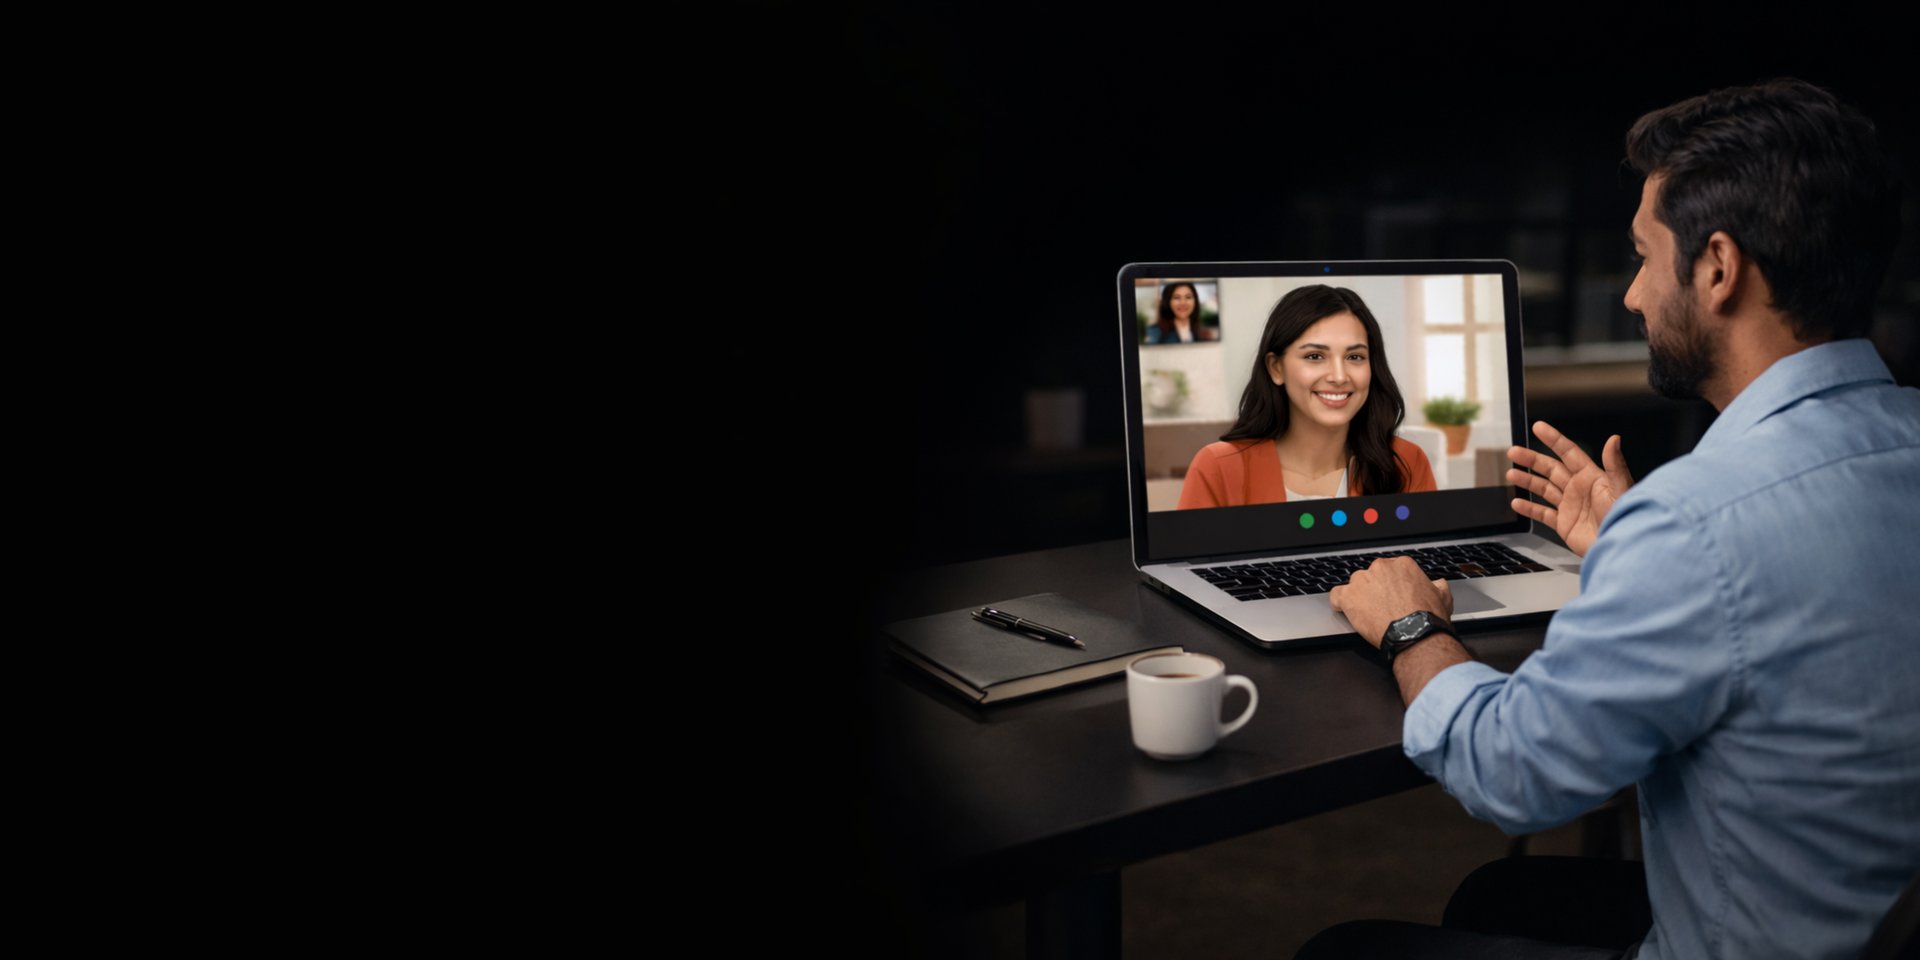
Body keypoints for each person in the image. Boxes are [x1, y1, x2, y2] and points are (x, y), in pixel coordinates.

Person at [1306, 80, 1918, 959]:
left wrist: (1411, 628)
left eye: (1642, 255)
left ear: (1716, 268)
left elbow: (1513, 775)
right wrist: (1639, 557)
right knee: (1504, 892)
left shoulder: (1699, 523)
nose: (1631, 296)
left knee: (1344, 952)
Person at [1177, 284, 1436, 509]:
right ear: (1276, 368)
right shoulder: (1218, 467)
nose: (1338, 376)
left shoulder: (1405, 462)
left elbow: (1426, 563)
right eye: (1315, 356)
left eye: (1354, 357)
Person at [1144, 281, 1219, 343]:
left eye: (1188, 297)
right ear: (1168, 302)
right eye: (1177, 298)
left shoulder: (1204, 334)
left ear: (1195, 301)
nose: (1183, 303)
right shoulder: (1155, 332)